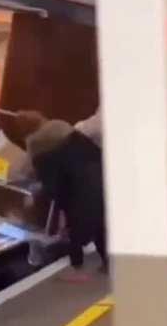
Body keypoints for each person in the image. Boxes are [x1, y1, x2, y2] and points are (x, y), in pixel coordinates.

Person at [16, 108, 108, 276]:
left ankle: (77, 264)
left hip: (72, 187)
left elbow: (42, 175)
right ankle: (107, 263)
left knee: (75, 226)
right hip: (95, 173)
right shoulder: (62, 126)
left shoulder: (35, 146)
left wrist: (55, 197)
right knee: (100, 220)